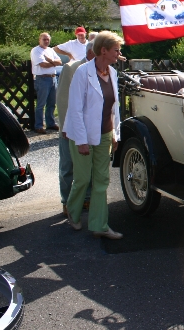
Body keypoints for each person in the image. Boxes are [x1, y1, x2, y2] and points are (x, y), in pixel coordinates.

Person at [64, 31, 124, 239]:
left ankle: (99, 224)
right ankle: (72, 210)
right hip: (83, 134)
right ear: (103, 50)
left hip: (105, 135)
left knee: (101, 180)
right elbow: (75, 109)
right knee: (82, 179)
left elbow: (114, 108)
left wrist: (115, 134)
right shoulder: (82, 73)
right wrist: (81, 141)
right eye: (116, 50)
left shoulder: (113, 73)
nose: (119, 53)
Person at [56, 41, 95, 217]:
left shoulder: (103, 70)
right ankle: (66, 201)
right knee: (68, 166)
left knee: (88, 166)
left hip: (91, 127)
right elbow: (63, 99)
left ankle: (86, 198)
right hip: (70, 127)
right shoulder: (71, 68)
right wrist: (65, 127)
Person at [30, 32, 62, 134]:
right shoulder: (36, 50)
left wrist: (50, 60)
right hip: (42, 79)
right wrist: (53, 62)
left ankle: (50, 123)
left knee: (52, 103)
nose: (46, 41)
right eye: (44, 39)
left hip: (53, 78)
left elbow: (60, 62)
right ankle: (38, 125)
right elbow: (43, 64)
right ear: (39, 40)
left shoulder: (50, 50)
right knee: (41, 103)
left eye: (48, 39)